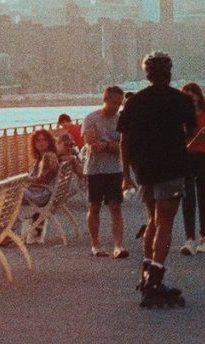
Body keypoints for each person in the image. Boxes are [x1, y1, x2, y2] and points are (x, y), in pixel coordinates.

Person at [117, 51, 197, 307]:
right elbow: (191, 131)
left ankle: (146, 273)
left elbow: (124, 140)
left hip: (144, 169)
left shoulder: (135, 101)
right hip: (171, 167)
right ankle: (155, 279)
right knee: (165, 222)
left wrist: (126, 175)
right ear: (169, 73)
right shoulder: (181, 100)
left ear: (147, 74)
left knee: (152, 219)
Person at [81, 85, 131, 259]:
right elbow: (92, 145)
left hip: (115, 169)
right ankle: (96, 244)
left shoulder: (122, 120)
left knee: (116, 207)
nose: (117, 106)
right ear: (105, 100)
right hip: (95, 170)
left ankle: (118, 245)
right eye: (114, 102)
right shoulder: (91, 118)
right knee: (94, 206)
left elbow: (124, 148)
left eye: (119, 103)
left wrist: (106, 144)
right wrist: (113, 145)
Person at [179, 82, 205, 256]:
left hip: (204, 158)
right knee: (187, 198)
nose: (190, 99)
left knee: (204, 198)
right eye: (186, 96)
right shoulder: (180, 117)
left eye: (192, 95)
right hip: (186, 158)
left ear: (198, 96)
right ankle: (189, 239)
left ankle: (204, 236)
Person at [22, 128, 59, 210]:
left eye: (44, 140)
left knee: (9, 193)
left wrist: (23, 179)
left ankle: (7, 217)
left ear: (49, 141)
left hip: (41, 196)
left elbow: (41, 179)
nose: (41, 143)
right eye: (38, 140)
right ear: (34, 143)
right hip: (46, 193)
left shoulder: (47, 156)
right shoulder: (47, 155)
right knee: (10, 193)